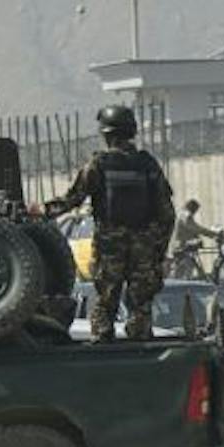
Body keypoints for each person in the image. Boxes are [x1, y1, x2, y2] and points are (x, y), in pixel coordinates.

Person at [41, 103, 176, 343]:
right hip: (143, 246)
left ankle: (103, 342)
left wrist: (42, 212)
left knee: (105, 299)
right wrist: (157, 247)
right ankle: (141, 345)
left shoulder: (99, 164)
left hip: (110, 245)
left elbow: (72, 199)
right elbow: (166, 213)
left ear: (106, 134)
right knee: (141, 304)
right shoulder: (147, 165)